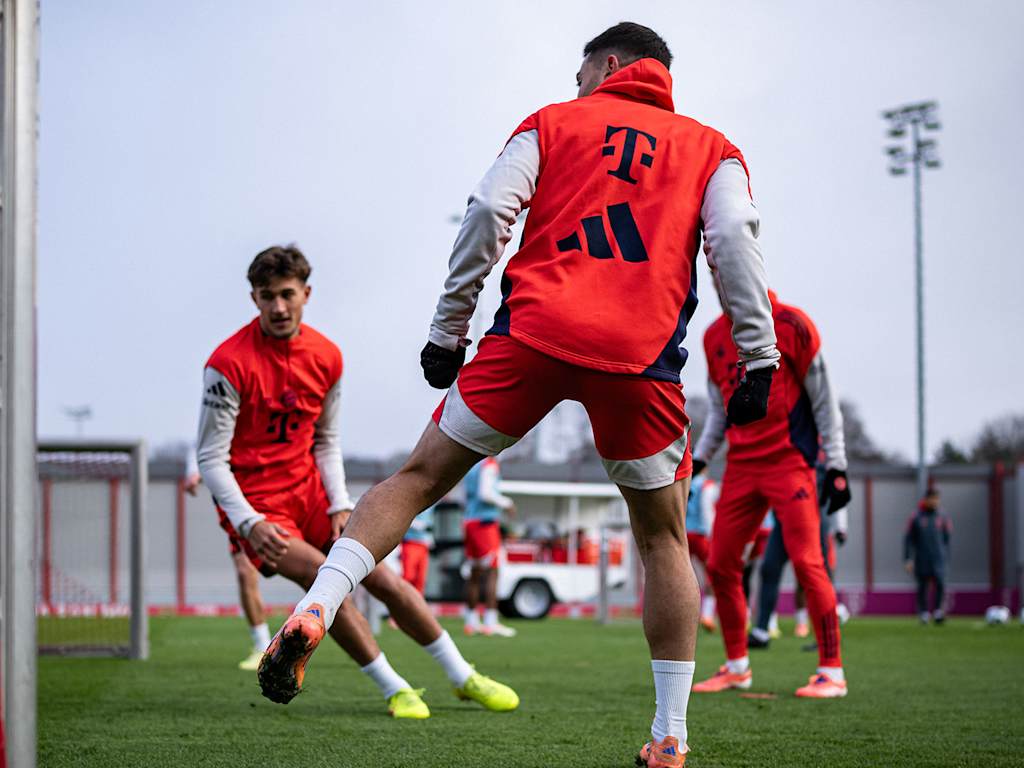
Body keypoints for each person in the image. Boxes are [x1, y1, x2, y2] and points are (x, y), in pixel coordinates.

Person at [263, 23, 779, 767]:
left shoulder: (552, 121)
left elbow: (485, 213)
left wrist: (449, 330)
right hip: (639, 361)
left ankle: (317, 603)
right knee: (663, 541)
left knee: (416, 480)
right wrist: (756, 354)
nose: (577, 88)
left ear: (607, 65)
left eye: (581, 76)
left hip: (531, 337)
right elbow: (733, 233)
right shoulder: (713, 148)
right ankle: (670, 737)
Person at [198, 245, 518, 719]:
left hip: (310, 493)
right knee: (319, 580)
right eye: (268, 296)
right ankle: (394, 688)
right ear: (255, 298)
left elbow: (326, 440)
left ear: (306, 293)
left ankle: (461, 675)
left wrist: (338, 504)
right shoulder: (226, 364)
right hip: (260, 506)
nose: (279, 307)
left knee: (381, 575)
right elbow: (210, 456)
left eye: (287, 294)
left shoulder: (326, 356)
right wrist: (247, 522)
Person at [691, 289, 851, 698]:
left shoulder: (791, 323)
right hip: (741, 468)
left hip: (790, 464)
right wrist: (702, 458)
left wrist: (836, 464)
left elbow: (824, 399)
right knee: (722, 564)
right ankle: (737, 666)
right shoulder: (712, 338)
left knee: (807, 561)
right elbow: (718, 409)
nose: (721, 273)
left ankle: (832, 671)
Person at [183, 449, 270, 671]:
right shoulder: (217, 418)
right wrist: (194, 472)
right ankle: (263, 648)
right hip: (240, 509)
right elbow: (203, 446)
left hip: (274, 496)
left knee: (314, 567)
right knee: (245, 573)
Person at [462, 456, 516, 637]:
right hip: (485, 523)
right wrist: (506, 503)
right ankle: (490, 622)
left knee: (475, 573)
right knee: (493, 571)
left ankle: (471, 622)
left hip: (469, 521)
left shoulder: (471, 465)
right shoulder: (489, 464)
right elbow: (486, 493)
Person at [904, 488, 951, 624]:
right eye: (933, 499)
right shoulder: (917, 516)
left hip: (939, 557)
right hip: (922, 557)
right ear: (927, 499)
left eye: (937, 499)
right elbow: (908, 539)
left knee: (940, 583)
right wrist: (908, 559)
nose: (935, 502)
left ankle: (938, 611)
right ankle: (924, 612)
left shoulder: (943, 516)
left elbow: (947, 539)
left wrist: (945, 555)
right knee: (922, 585)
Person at [685, 472, 718, 632]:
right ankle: (707, 614)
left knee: (681, 575)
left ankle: (681, 614)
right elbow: (707, 510)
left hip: (683, 533)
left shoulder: (682, 480)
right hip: (701, 534)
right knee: (710, 574)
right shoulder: (706, 484)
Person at [400, 506, 434, 595]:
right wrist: (421, 526)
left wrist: (430, 539)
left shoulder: (431, 503)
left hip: (424, 545)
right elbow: (404, 517)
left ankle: (415, 605)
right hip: (411, 542)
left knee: (420, 580)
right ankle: (404, 604)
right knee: (408, 577)